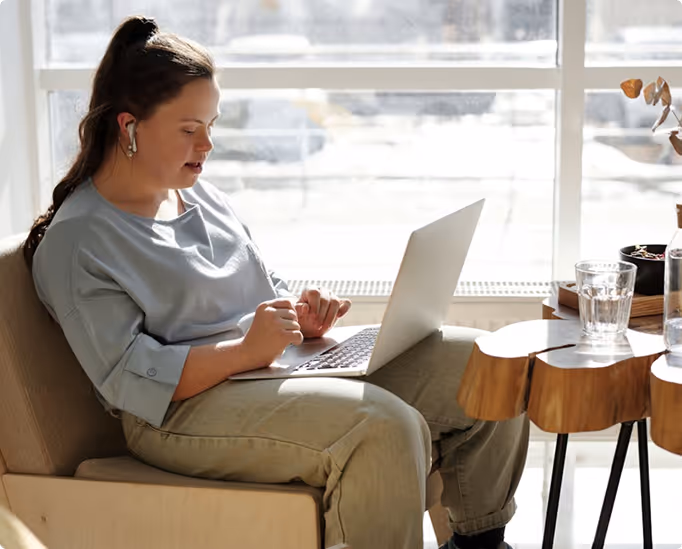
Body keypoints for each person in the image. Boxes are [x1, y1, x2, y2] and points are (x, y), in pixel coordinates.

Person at [23, 16, 529, 549]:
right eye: (189, 129)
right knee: (382, 428)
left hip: (269, 371)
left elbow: (264, 288)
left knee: (486, 364)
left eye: (211, 125)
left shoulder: (200, 195)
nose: (208, 144)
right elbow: (130, 380)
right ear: (129, 127)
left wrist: (299, 315)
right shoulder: (79, 242)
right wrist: (245, 352)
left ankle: (479, 544)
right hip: (179, 414)